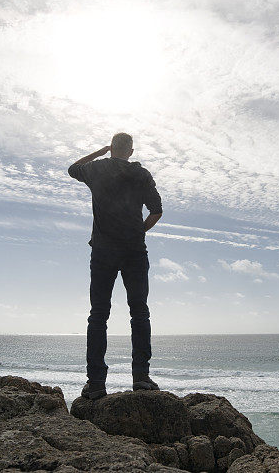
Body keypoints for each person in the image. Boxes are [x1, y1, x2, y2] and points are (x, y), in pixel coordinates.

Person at [68, 132, 163, 399]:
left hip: (103, 251)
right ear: (131, 152)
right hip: (134, 250)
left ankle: (96, 383)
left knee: (98, 315)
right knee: (139, 313)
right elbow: (156, 210)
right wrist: (139, 232)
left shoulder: (97, 169)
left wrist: (99, 152)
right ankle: (141, 378)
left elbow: (72, 168)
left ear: (112, 148)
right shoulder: (141, 174)